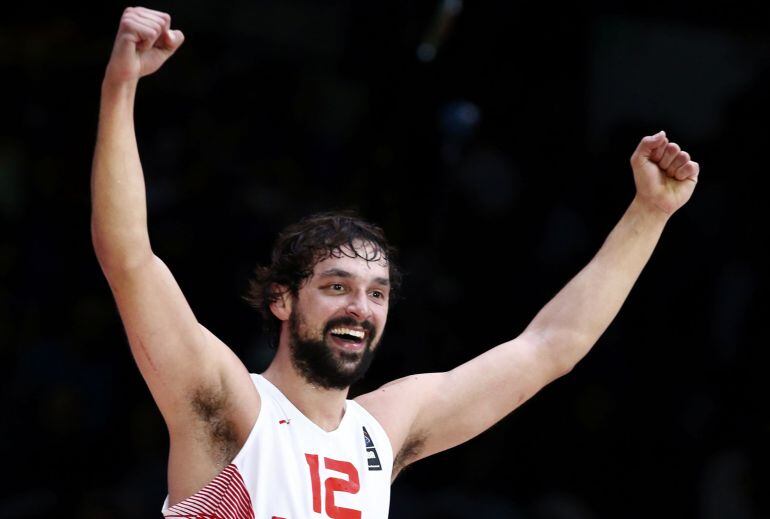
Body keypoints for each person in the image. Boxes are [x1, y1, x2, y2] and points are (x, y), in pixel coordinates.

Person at [90, 7, 700, 519]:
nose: (360, 306)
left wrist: (648, 214)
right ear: (282, 299)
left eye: (377, 293)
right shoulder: (228, 405)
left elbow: (550, 345)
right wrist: (121, 87)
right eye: (336, 285)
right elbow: (129, 258)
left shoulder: (383, 428)